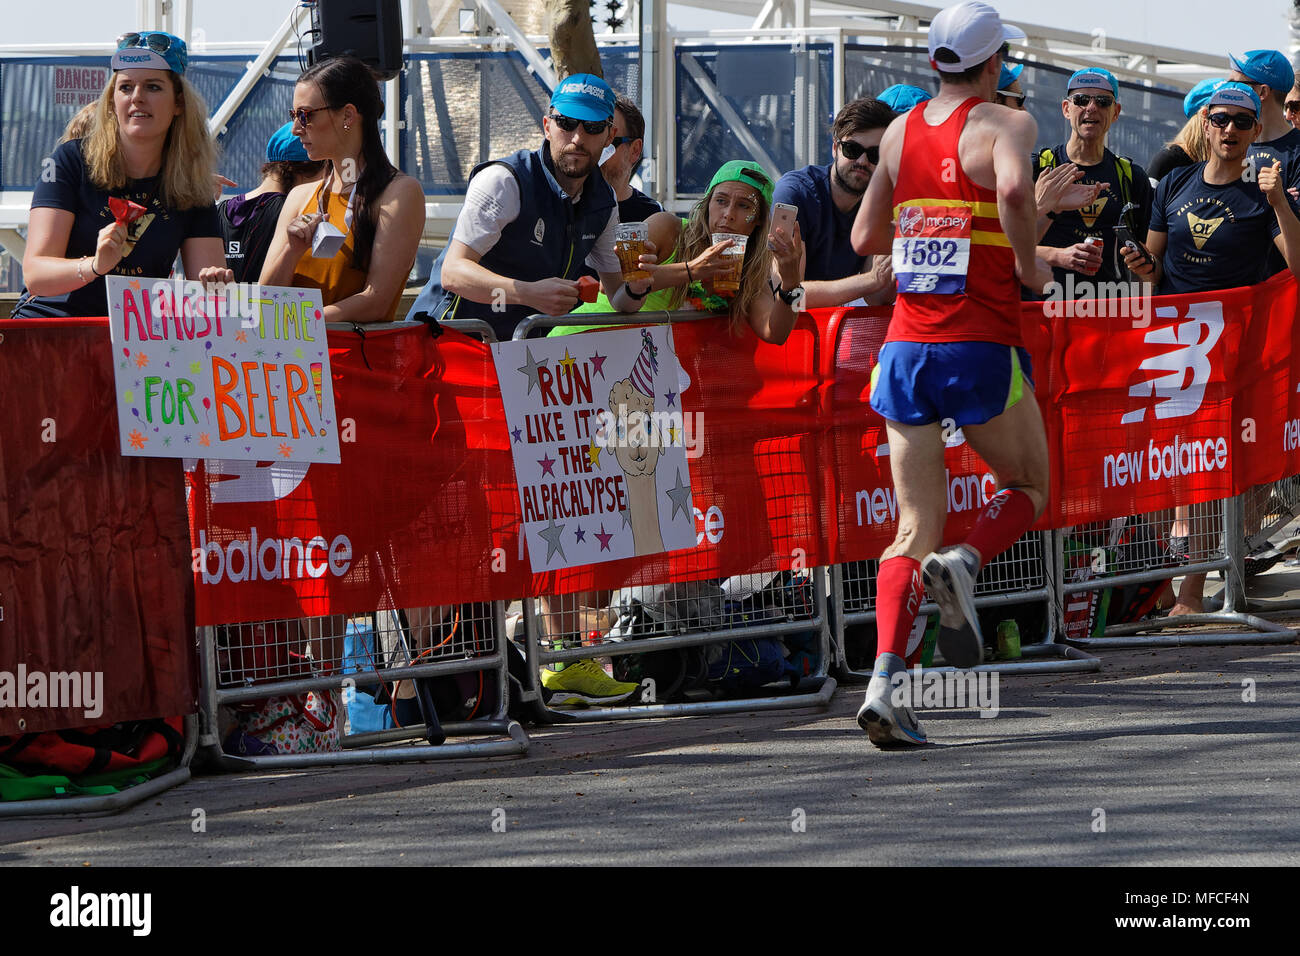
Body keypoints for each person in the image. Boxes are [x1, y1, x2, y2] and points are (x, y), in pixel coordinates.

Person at [850, 1, 1052, 747]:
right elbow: (1010, 193)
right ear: (997, 63)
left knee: (908, 528)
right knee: (1030, 486)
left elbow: (864, 234)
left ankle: (883, 685)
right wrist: (1028, 264)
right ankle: (964, 563)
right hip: (978, 343)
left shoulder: (901, 131)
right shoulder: (1009, 125)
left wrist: (931, 224)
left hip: (903, 350)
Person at [1123, 82, 1300, 616]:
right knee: (1157, 467)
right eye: (1220, 120)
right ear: (1205, 123)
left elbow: (1297, 266)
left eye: (1242, 123)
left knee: (1206, 470)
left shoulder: (1262, 192)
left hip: (1231, 352)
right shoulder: (1174, 182)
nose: (1229, 131)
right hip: (1171, 346)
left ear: (1254, 132)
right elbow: (1154, 265)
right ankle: (1175, 578)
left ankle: (1193, 594)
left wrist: (1277, 202)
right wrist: (1140, 269)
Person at [405, 73, 653, 344]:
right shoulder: (504, 180)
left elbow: (619, 298)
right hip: (444, 342)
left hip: (514, 355)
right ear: (547, 127)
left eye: (592, 127)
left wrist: (637, 288)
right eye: (566, 123)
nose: (578, 138)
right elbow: (452, 272)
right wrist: (527, 293)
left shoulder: (603, 200)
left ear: (610, 136)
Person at [13, 31, 232, 318]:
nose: (137, 97)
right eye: (126, 87)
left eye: (153, 87)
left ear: (179, 103)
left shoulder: (192, 182)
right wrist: (95, 265)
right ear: (112, 101)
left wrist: (218, 287)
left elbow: (210, 299)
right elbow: (36, 274)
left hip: (136, 342)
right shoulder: (71, 160)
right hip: (53, 328)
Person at [259, 55, 424, 323]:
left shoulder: (399, 193)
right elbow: (265, 302)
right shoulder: (300, 196)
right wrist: (291, 251)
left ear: (348, 115)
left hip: (352, 361)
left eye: (305, 115)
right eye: (293, 115)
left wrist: (299, 325)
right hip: (294, 362)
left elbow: (376, 302)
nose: (296, 129)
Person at [1032, 68, 1153, 291]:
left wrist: (1143, 260)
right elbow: (1004, 248)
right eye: (1081, 99)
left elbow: (1151, 257)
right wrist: (1058, 255)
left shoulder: (1132, 177)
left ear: (1116, 112)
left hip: (1106, 314)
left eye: (1103, 101)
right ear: (1066, 109)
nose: (1091, 107)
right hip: (1044, 311)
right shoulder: (1038, 168)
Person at [771, 98, 895, 308]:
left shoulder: (882, 202)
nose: (862, 161)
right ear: (835, 148)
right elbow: (788, 297)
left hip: (828, 327)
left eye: (875, 155)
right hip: (768, 329)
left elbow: (876, 297)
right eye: (852, 149)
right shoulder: (792, 193)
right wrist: (870, 280)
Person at [219, 123, 325, 282]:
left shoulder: (219, 210)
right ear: (304, 170)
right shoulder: (294, 215)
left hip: (218, 306)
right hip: (268, 306)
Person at [1148, 78, 1223, 185]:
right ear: (1204, 116)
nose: (1231, 126)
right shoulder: (1169, 162)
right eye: (1221, 117)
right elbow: (1145, 200)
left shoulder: (1233, 166)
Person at [601, 95, 662, 225]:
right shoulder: (563, 206)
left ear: (634, 150)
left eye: (607, 142)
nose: (595, 151)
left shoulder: (654, 216)